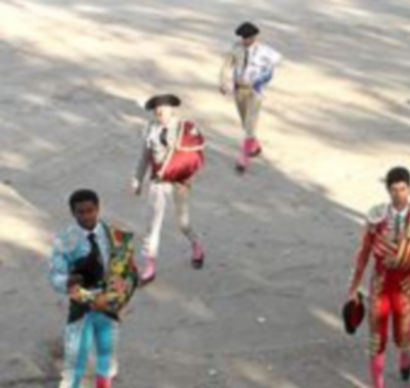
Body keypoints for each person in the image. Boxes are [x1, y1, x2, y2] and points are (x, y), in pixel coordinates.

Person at [345, 167, 410, 388]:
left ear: (409, 189)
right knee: (376, 340)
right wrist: (353, 287)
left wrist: (399, 258)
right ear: (387, 191)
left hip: (404, 288)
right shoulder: (377, 216)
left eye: (403, 189)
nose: (399, 194)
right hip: (379, 286)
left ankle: (405, 355)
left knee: (403, 335)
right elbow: (363, 254)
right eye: (394, 189)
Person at [49, 189, 139, 388]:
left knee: (108, 354)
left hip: (108, 303)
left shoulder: (114, 236)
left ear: (98, 209)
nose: (86, 216)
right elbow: (55, 275)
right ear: (73, 213)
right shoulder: (65, 240)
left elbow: (128, 271)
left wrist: (119, 295)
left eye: (90, 210)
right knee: (75, 361)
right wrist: (67, 280)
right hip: (82, 304)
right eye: (81, 212)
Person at [132, 94, 205, 285]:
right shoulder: (150, 129)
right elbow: (145, 156)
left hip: (180, 181)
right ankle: (150, 267)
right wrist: (138, 179)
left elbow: (192, 156)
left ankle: (196, 244)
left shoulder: (184, 128)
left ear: (172, 109)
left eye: (163, 108)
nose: (160, 112)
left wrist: (188, 176)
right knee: (152, 225)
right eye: (157, 109)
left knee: (183, 223)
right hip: (158, 180)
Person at [218, 21, 283, 173]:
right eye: (243, 37)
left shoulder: (265, 51)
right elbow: (226, 65)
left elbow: (271, 69)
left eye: (248, 37)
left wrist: (261, 79)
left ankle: (243, 159)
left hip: (254, 91)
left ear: (255, 37)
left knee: (249, 124)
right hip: (239, 90)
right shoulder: (236, 48)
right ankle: (255, 147)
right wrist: (223, 82)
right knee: (245, 123)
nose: (245, 40)